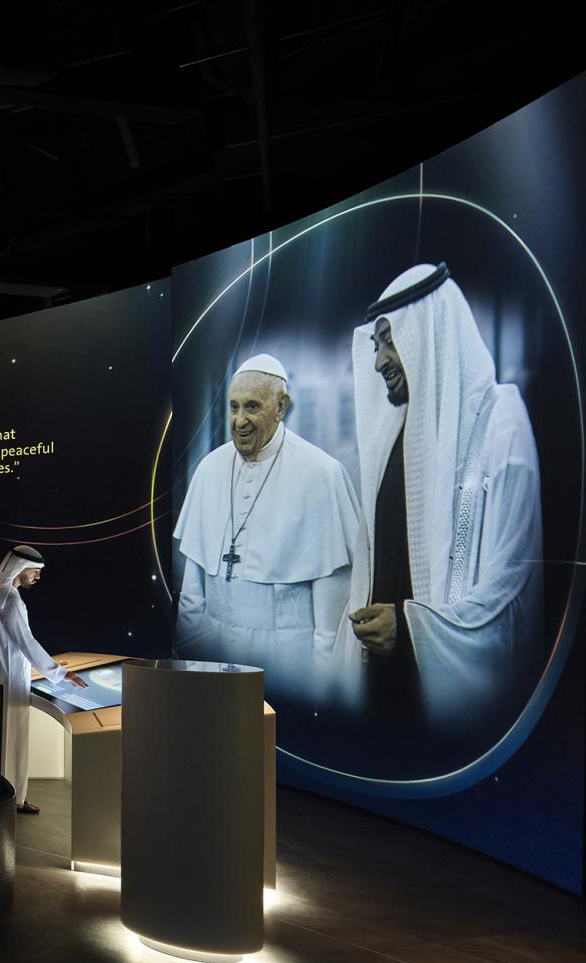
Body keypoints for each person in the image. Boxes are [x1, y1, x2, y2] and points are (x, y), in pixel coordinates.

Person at [337, 264, 543, 720]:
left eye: (390, 341)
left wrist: (411, 631)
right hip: (382, 696)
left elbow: (511, 595)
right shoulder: (392, 436)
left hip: (455, 717)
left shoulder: (500, 424)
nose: (379, 361)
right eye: (376, 345)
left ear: (428, 334)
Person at [173, 354, 359, 699]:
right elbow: (192, 596)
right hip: (215, 656)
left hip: (287, 663)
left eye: (252, 407)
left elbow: (331, 620)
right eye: (233, 407)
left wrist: (321, 691)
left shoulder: (322, 474)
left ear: (281, 406)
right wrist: (191, 671)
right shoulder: (209, 470)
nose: (239, 420)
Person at [0, 545, 85, 814]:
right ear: (19, 567)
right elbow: (26, 642)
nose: (37, 576)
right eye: (35, 571)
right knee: (12, 737)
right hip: (9, 681)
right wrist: (60, 673)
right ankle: (12, 797)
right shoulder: (10, 599)